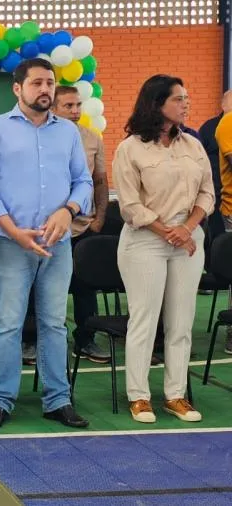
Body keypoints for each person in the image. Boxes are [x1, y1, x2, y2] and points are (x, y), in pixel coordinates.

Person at [0, 58, 93, 431]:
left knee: (55, 323)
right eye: (37, 83)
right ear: (18, 88)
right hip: (12, 243)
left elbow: (83, 183)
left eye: (50, 83)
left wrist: (68, 212)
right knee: (8, 324)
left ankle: (58, 400)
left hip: (58, 243)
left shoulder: (69, 132)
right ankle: (0, 400)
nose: (45, 90)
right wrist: (13, 230)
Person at [113, 75, 213, 424]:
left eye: (187, 98)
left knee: (181, 321)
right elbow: (128, 204)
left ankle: (175, 394)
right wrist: (166, 230)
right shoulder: (130, 148)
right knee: (145, 319)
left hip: (187, 241)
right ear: (157, 104)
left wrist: (187, 229)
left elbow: (207, 194)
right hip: (144, 242)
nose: (186, 104)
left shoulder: (194, 145)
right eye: (178, 99)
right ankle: (139, 396)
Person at [51, 86, 111, 364]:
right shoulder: (42, 137)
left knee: (85, 287)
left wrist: (99, 218)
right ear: (53, 108)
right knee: (44, 288)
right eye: (68, 106)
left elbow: (99, 180)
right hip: (49, 229)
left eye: (78, 105)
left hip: (83, 227)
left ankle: (85, 340)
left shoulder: (92, 138)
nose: (75, 111)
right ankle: (34, 342)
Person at [196, 90, 230, 243]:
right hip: (216, 193)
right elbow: (198, 161)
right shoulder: (210, 128)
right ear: (223, 104)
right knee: (218, 239)